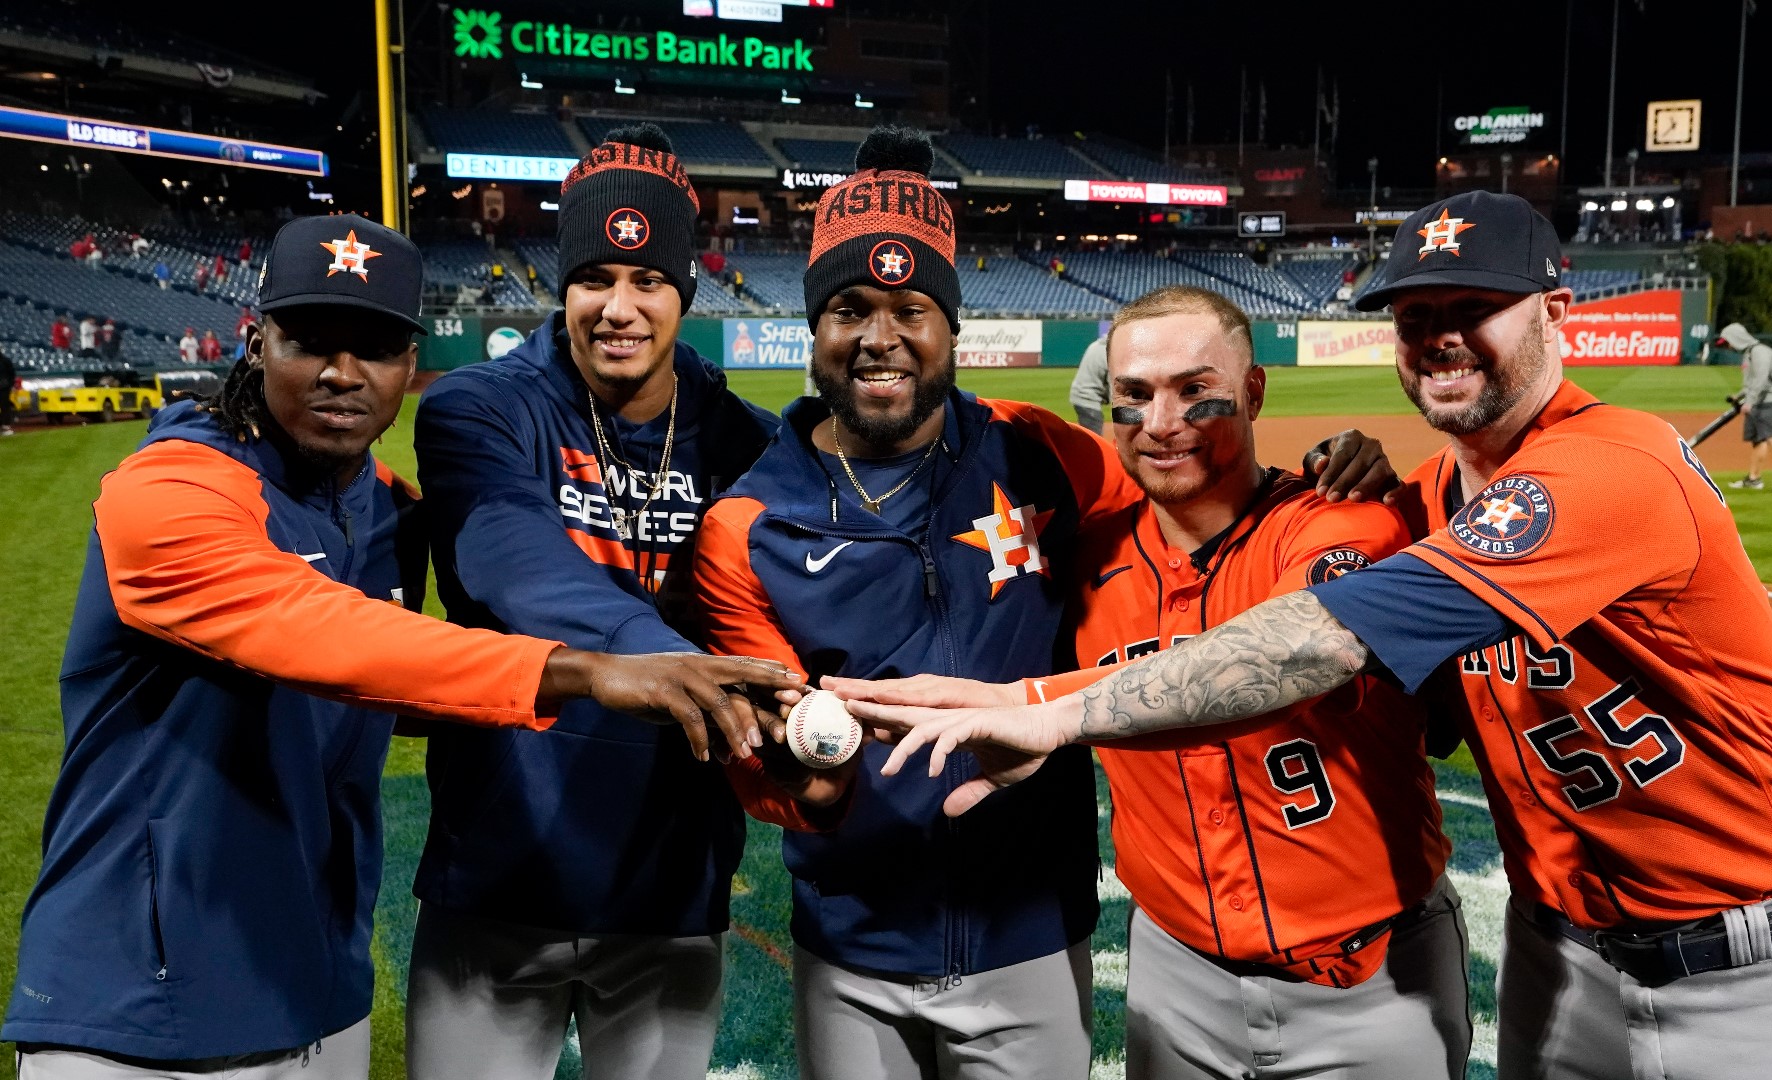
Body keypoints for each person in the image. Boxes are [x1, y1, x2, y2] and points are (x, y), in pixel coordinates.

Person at [853, 190, 1772, 1080]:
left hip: (1766, 965)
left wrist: (1054, 710)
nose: (1440, 332)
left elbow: (1330, 636)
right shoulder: (1427, 498)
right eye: (1415, 312)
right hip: (1560, 955)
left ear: (1559, 312)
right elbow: (1425, 720)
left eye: (1476, 306)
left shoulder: (1614, 465)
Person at [1, 213, 801, 1080]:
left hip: (320, 986)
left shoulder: (387, 511)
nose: (343, 373)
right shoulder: (169, 490)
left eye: (377, 348)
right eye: (309, 340)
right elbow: (311, 630)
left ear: (410, 367)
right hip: (140, 994)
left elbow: (394, 679)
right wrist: (587, 669)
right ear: (255, 340)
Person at [691, 127, 1398, 1080]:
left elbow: (1184, 499)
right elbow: (761, 754)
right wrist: (802, 791)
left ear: (952, 328)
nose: (881, 337)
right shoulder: (744, 525)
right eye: (849, 308)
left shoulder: (1040, 454)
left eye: (913, 309)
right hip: (850, 945)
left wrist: (1322, 481)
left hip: (1030, 932)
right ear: (811, 330)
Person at [834, 285, 1469, 1080]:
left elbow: (1306, 654)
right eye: (1134, 396)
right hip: (1175, 980)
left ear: (1255, 393)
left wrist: (1044, 710)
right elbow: (951, 436)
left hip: (1377, 978)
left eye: (1196, 392)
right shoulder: (1087, 554)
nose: (1162, 423)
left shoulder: (1345, 523)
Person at [405, 124, 804, 1080]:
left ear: (686, 293)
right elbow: (510, 555)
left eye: (647, 281)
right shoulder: (478, 406)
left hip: (669, 883)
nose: (618, 308)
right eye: (594, 278)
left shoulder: (750, 442)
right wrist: (651, 655)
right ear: (562, 285)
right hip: (498, 872)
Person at [1720, 322, 1772, 491]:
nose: (1729, 346)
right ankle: (1754, 478)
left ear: (1737, 338)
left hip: (1769, 401)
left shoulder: (1760, 352)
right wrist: (1738, 396)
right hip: (1758, 401)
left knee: (1771, 436)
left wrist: (1749, 402)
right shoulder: (1749, 353)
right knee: (1758, 440)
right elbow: (1751, 383)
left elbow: (1761, 380)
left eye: (1729, 341)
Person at [1067, 332, 1108, 432]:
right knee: (1095, 438)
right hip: (1087, 397)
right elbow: (1115, 385)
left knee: (1089, 435)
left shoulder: (1095, 345)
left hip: (1079, 394)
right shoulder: (1110, 353)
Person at [0, 345, 16, 435]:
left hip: (4, 387)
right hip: (5, 386)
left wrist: (11, 385)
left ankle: (5, 427)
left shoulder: (5, 360)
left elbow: (12, 373)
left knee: (5, 406)